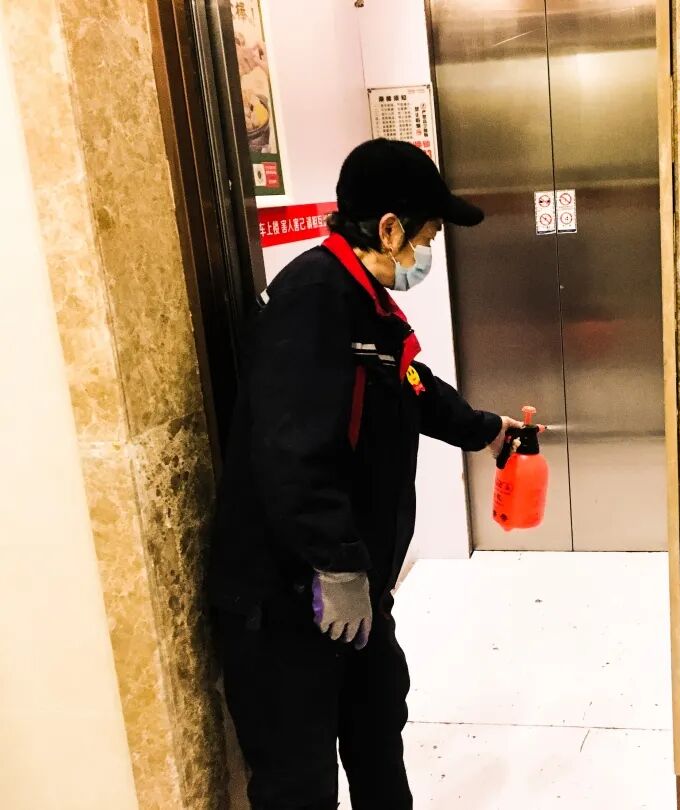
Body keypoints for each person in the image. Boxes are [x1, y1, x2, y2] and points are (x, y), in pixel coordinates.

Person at [209, 138, 519, 810]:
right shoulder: (313, 299)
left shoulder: (362, 302)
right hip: (288, 598)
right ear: (390, 229)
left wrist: (485, 429)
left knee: (377, 729)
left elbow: (407, 384)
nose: (425, 254)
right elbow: (291, 448)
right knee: (298, 781)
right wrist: (338, 565)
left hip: (351, 588)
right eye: (426, 238)